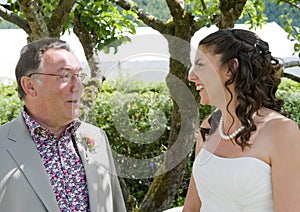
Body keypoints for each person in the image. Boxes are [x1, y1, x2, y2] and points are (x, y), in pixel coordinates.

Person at [0, 38, 126, 212]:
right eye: (66, 76)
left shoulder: (97, 138)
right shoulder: (2, 145)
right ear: (30, 86)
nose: (79, 87)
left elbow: (116, 206)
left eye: (79, 76)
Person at [183, 29, 300, 211]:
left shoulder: (281, 131)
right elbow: (191, 208)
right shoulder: (209, 126)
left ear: (231, 68)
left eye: (201, 65)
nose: (191, 76)